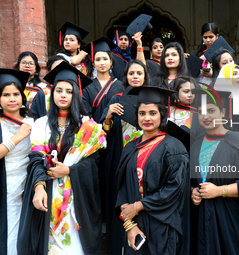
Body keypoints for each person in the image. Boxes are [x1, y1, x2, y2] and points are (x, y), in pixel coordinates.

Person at [17, 62, 105, 255]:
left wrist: (69, 170)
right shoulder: (41, 124)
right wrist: (39, 186)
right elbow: (36, 158)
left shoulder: (87, 126)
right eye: (59, 90)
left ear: (76, 95)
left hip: (78, 197)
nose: (63, 95)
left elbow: (93, 163)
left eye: (69, 91)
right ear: (52, 93)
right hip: (49, 192)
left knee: (74, 246)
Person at [190, 87, 239, 255]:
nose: (206, 116)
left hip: (231, 223)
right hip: (203, 222)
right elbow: (190, 182)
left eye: (211, 110)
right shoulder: (195, 145)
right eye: (201, 111)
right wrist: (192, 192)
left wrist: (219, 191)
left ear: (223, 112)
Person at [115, 86, 189, 254]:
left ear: (162, 115)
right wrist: (129, 225)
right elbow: (122, 187)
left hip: (162, 225)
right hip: (134, 226)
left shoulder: (173, 147)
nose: (147, 118)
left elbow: (174, 190)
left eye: (152, 113)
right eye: (142, 113)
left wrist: (139, 206)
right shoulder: (130, 147)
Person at [98, 59, 150, 255]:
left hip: (146, 161)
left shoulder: (152, 98)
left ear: (145, 76)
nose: (135, 76)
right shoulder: (115, 99)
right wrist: (109, 116)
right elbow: (103, 134)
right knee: (121, 204)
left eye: (139, 73)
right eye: (131, 73)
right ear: (125, 76)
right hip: (120, 160)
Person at [0, 69, 33, 255]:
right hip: (6, 187)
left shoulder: (34, 123)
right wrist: (18, 137)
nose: (12, 99)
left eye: (16, 94)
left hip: (28, 187)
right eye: (6, 95)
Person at [82, 37, 124, 122]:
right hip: (93, 132)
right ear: (93, 64)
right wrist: (96, 131)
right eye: (98, 59)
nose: (102, 63)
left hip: (116, 131)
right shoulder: (87, 86)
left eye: (105, 59)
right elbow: (85, 113)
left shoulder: (120, 85)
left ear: (111, 62)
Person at [30, 55, 67, 120]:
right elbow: (34, 117)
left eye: (63, 67)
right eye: (56, 67)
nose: (60, 70)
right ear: (50, 71)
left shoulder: (73, 91)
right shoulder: (42, 93)